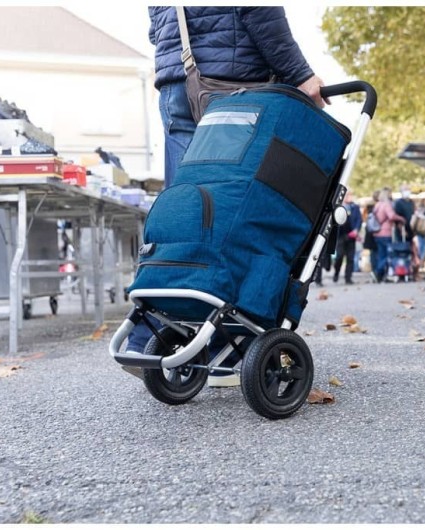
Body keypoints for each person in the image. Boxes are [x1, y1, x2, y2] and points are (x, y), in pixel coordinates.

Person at [126, 6, 328, 387]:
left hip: (177, 82)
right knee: (237, 215)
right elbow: (257, 10)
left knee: (189, 213)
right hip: (234, 86)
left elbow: (157, 26)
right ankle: (227, 349)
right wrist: (300, 73)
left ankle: (149, 335)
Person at [371, 188, 406, 283]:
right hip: (386, 232)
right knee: (388, 255)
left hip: (377, 233)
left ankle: (380, 274)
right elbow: (391, 216)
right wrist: (401, 218)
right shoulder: (386, 205)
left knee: (381, 254)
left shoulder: (377, 205)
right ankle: (378, 272)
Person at [331, 190, 362, 285]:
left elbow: (359, 220)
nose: (349, 197)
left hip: (351, 235)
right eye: (347, 195)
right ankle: (336, 272)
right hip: (341, 236)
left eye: (350, 195)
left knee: (350, 257)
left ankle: (348, 278)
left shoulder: (355, 207)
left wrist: (356, 229)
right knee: (339, 256)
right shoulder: (339, 206)